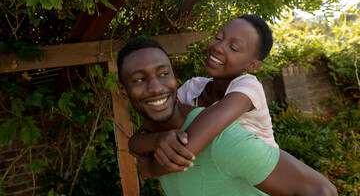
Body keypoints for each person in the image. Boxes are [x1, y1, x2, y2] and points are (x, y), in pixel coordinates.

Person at [117, 37, 338, 196]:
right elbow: (135, 143)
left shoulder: (224, 140)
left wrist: (149, 170)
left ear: (174, 77)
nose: (156, 88)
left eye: (164, 74)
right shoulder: (154, 137)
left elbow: (322, 190)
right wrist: (152, 153)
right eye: (139, 79)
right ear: (123, 90)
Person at [129, 15, 277, 172]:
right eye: (218, 37)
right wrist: (158, 139)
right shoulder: (192, 89)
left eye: (233, 47)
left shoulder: (248, 88)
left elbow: (185, 152)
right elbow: (136, 141)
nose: (218, 47)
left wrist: (150, 170)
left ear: (252, 65)